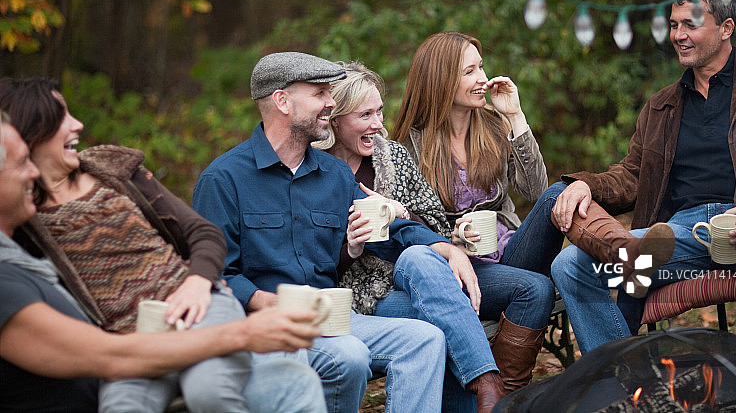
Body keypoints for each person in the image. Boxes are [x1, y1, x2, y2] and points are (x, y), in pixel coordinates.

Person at [538, 0, 736, 358]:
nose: (678, 34)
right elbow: (632, 175)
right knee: (571, 265)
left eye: (690, 24)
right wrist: (586, 186)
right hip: (678, 239)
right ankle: (620, 385)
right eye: (674, 25)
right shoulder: (662, 106)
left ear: (726, 28)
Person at [0, 112, 327, 413]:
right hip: (133, 342)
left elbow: (203, 234)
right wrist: (246, 328)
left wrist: (200, 281)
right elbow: (110, 355)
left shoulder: (110, 172)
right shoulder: (25, 240)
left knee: (223, 388)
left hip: (198, 310)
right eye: (21, 163)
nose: (77, 124)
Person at [192, 51, 452, 413]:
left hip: (331, 319)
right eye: (319, 93)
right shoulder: (224, 180)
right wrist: (268, 301)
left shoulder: (335, 175)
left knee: (425, 339)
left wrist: (445, 246)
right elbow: (215, 274)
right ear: (282, 101)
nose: (331, 102)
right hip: (263, 324)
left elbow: (392, 230)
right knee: (349, 357)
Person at [314, 61, 521, 410]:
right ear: (336, 120)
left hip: (418, 276)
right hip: (362, 296)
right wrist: (350, 247)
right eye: (366, 115)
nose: (379, 124)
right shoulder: (314, 171)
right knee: (439, 325)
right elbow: (309, 261)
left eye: (380, 112)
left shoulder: (392, 156)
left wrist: (400, 211)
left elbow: (436, 224)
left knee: (418, 256)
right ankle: (487, 384)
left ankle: (488, 384)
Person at [393, 32, 561, 388]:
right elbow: (408, 228)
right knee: (538, 288)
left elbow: (534, 190)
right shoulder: (411, 143)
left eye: (480, 67)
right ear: (442, 80)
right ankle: (501, 394)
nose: (482, 78)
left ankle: (618, 252)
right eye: (470, 72)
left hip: (510, 251)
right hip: (460, 269)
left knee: (556, 195)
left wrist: (515, 117)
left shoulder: (494, 125)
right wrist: (450, 239)